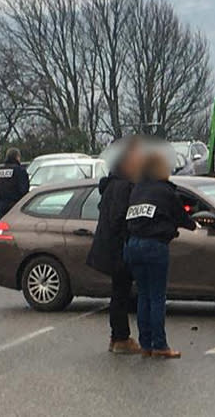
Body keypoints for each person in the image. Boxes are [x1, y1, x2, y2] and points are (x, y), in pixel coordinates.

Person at [124, 151, 196, 358]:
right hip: (154, 245)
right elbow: (182, 217)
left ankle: (145, 344)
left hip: (133, 244)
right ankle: (160, 345)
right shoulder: (165, 191)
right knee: (157, 297)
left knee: (143, 295)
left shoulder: (137, 190)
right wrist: (194, 225)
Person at [86, 137, 142, 354]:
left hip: (112, 247)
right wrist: (132, 234)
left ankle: (118, 336)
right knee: (120, 293)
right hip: (118, 248)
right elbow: (120, 218)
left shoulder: (114, 184)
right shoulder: (122, 187)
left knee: (120, 292)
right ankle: (120, 337)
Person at [0, 148, 29, 218]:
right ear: (17, 157)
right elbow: (24, 191)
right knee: (16, 227)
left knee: (3, 227)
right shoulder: (20, 171)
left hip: (2, 207)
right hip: (17, 207)